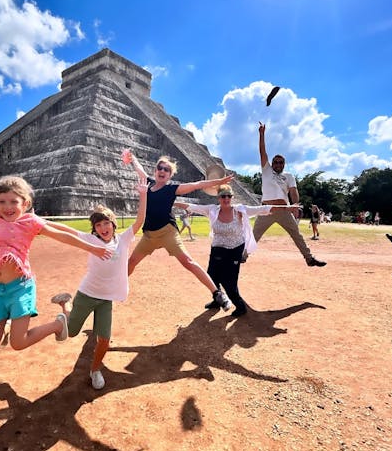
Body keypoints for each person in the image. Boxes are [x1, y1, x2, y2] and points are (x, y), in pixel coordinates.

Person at [0, 174, 112, 355]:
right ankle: (7, 324)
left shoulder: (31, 222)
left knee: (18, 343)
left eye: (14, 202)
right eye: (2, 202)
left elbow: (62, 236)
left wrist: (92, 248)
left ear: (25, 203)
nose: (7, 207)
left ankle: (58, 324)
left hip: (20, 288)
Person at [51, 175, 148, 389]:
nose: (103, 228)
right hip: (87, 294)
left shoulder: (123, 239)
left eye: (107, 223)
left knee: (104, 339)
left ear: (113, 225)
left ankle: (95, 370)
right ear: (94, 229)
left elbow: (140, 221)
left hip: (106, 299)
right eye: (99, 225)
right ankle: (65, 304)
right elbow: (66, 231)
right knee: (72, 332)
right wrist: (40, 222)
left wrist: (143, 195)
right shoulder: (91, 240)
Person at [123, 149, 235, 310]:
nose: (162, 171)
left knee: (188, 262)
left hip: (168, 232)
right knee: (131, 262)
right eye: (159, 168)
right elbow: (139, 168)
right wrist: (132, 157)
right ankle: (113, 288)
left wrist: (219, 182)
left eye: (166, 170)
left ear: (170, 175)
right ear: (155, 171)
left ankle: (218, 294)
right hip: (149, 235)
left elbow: (197, 185)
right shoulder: (147, 183)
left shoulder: (171, 189)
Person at [175, 184, 299, 317]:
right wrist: (173, 201)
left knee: (229, 281)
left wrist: (287, 208)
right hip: (217, 248)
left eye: (229, 196)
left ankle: (240, 306)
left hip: (235, 249)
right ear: (218, 198)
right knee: (212, 275)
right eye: (223, 196)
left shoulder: (240, 210)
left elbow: (263, 209)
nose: (226, 198)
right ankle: (217, 300)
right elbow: (191, 206)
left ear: (232, 198)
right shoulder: (212, 210)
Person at [249, 123, 326, 267]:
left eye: (281, 162)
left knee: (297, 235)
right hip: (267, 210)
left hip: (284, 210)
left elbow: (293, 191)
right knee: (255, 235)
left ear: (284, 164)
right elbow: (262, 151)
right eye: (276, 162)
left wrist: (295, 204)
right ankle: (243, 255)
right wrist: (261, 134)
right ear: (271, 163)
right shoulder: (266, 171)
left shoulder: (289, 176)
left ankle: (309, 258)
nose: (278, 164)